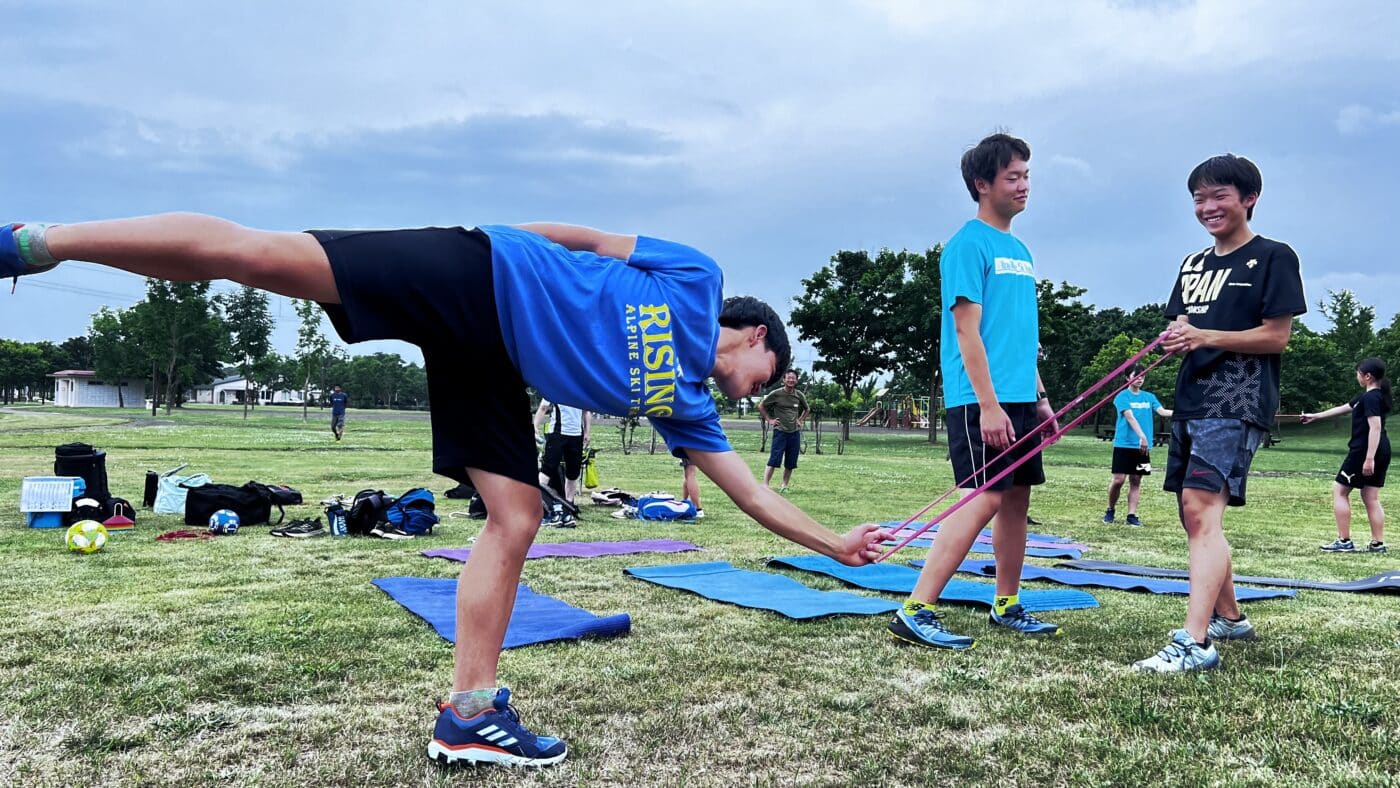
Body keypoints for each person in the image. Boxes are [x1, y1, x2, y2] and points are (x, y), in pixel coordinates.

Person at [1, 216, 891, 767]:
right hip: (479, 270)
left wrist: (836, 544)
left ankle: (469, 712)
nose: (761, 388)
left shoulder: (687, 410)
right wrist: (488, 244)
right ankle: (35, 244)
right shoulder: (694, 277)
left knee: (520, 512)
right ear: (753, 334)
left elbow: (754, 499)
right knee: (260, 259)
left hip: (492, 362)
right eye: (769, 368)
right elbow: (577, 238)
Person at [1133, 154, 1307, 673]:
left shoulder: (1274, 256)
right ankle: (1228, 619)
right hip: (1192, 398)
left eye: (1219, 196)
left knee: (1201, 508)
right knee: (1193, 513)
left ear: (1249, 198)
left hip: (1237, 400)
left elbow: (1276, 337)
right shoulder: (1193, 264)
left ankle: (1194, 643)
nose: (1207, 207)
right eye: (1199, 199)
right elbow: (1182, 326)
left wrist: (1206, 335)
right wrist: (1174, 338)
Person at [889, 132, 1062, 652]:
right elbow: (967, 331)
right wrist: (988, 405)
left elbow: (1021, 337)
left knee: (1015, 499)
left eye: (1027, 175)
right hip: (978, 398)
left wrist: (1041, 398)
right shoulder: (968, 244)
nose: (1024, 185)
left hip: (1019, 396)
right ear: (982, 185)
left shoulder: (1020, 249)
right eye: (1013, 177)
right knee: (984, 494)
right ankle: (916, 608)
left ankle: (1006, 604)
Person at [1302, 357, 1391, 554]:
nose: (1356, 376)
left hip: (1365, 451)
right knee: (1370, 496)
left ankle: (1344, 541)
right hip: (1380, 450)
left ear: (1367, 376)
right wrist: (1315, 416)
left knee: (1339, 490)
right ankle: (1378, 544)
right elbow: (1343, 409)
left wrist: (1369, 458)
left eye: (1358, 373)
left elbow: (1374, 428)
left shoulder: (1371, 398)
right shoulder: (1367, 397)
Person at [1103, 364, 1173, 526]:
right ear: (1128, 377)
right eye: (1136, 375)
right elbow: (1130, 417)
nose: (1140, 378)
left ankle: (1131, 515)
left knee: (1136, 480)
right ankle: (1110, 509)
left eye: (1142, 375)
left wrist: (1184, 413)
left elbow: (1162, 412)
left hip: (1142, 448)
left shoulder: (1149, 397)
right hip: (1124, 444)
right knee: (1119, 480)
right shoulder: (1122, 397)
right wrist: (1142, 436)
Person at [758, 369, 810, 492]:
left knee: (791, 461)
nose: (791, 380)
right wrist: (769, 420)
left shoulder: (799, 395)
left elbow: (807, 409)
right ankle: (765, 485)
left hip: (794, 432)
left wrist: (800, 420)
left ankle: (784, 486)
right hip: (780, 431)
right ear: (784, 380)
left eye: (793, 378)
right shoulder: (776, 394)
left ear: (796, 380)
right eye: (789, 378)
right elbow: (761, 405)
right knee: (774, 459)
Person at [533, 399, 590, 504]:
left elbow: (586, 411)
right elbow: (543, 408)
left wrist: (587, 432)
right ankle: (536, 502)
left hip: (576, 434)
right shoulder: (555, 387)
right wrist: (535, 425)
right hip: (557, 433)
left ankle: (569, 504)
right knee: (548, 468)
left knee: (573, 471)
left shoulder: (581, 389)